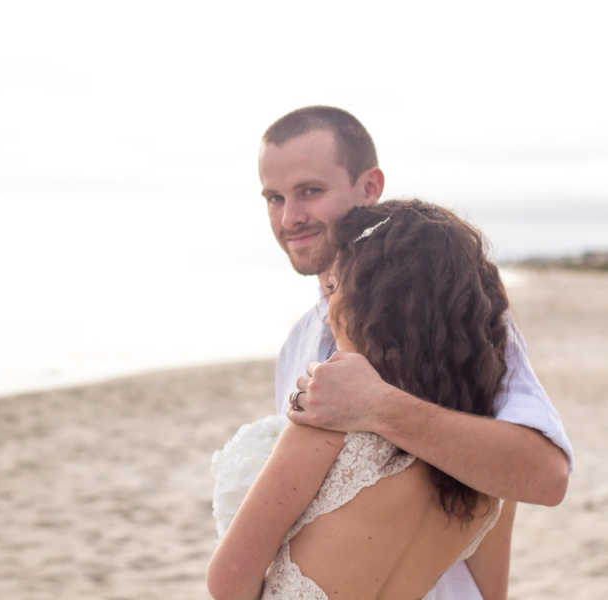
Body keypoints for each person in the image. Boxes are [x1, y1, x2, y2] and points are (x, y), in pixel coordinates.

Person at [212, 106, 573, 598]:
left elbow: (546, 477)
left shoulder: (468, 327)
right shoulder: (299, 340)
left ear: (369, 188)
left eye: (310, 192)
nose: (290, 217)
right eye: (274, 198)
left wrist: (377, 406)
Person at [208, 200, 522, 599]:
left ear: (376, 307)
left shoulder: (332, 423)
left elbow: (229, 576)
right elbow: (491, 593)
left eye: (335, 288)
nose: (328, 311)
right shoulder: (489, 465)